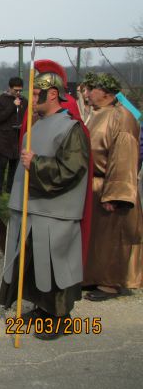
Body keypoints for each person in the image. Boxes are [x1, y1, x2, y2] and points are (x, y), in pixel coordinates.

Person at [0, 71, 90, 340]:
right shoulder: (38, 125)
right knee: (35, 266)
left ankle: (60, 319)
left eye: (37, 93)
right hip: (33, 209)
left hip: (55, 211)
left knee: (54, 266)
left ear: (52, 94)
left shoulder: (70, 129)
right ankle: (42, 310)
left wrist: (36, 163)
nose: (32, 98)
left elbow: (72, 169)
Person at [83, 73, 143, 300]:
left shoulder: (122, 117)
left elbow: (124, 157)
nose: (87, 93)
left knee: (112, 238)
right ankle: (93, 276)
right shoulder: (97, 113)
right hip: (94, 185)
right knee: (96, 238)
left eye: (92, 89)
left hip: (110, 186)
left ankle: (110, 283)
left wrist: (115, 194)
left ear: (106, 93)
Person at [0, 77, 28, 195]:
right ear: (9, 88)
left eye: (20, 90)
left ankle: (10, 188)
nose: (18, 93)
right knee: (2, 164)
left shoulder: (24, 101)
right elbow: (0, 118)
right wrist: (13, 106)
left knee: (14, 164)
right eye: (16, 90)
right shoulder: (1, 100)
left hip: (17, 137)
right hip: (4, 138)